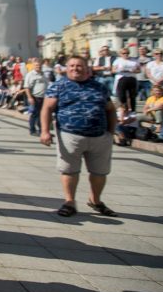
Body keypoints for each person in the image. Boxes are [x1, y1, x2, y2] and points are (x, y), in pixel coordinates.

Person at [39, 56, 118, 218]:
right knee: (69, 170)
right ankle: (69, 202)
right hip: (70, 135)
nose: (76, 68)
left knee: (99, 172)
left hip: (99, 137)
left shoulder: (99, 87)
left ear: (87, 68)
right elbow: (47, 108)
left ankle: (95, 200)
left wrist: (111, 132)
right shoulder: (58, 86)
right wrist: (45, 131)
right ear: (66, 68)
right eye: (72, 65)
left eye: (79, 66)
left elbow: (110, 109)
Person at [23, 58, 49, 136]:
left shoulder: (43, 74)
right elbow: (26, 87)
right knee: (35, 114)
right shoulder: (30, 75)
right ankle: (32, 130)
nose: (38, 66)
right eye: (37, 65)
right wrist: (30, 97)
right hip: (35, 97)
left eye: (40, 65)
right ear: (33, 66)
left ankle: (42, 130)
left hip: (44, 97)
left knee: (42, 114)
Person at [112, 48, 140, 115]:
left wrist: (133, 71)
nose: (125, 54)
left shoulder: (134, 60)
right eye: (123, 53)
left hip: (131, 78)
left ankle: (133, 110)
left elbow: (139, 70)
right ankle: (124, 109)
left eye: (127, 53)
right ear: (120, 54)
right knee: (122, 95)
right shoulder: (117, 61)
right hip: (121, 78)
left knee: (132, 95)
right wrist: (120, 70)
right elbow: (113, 70)